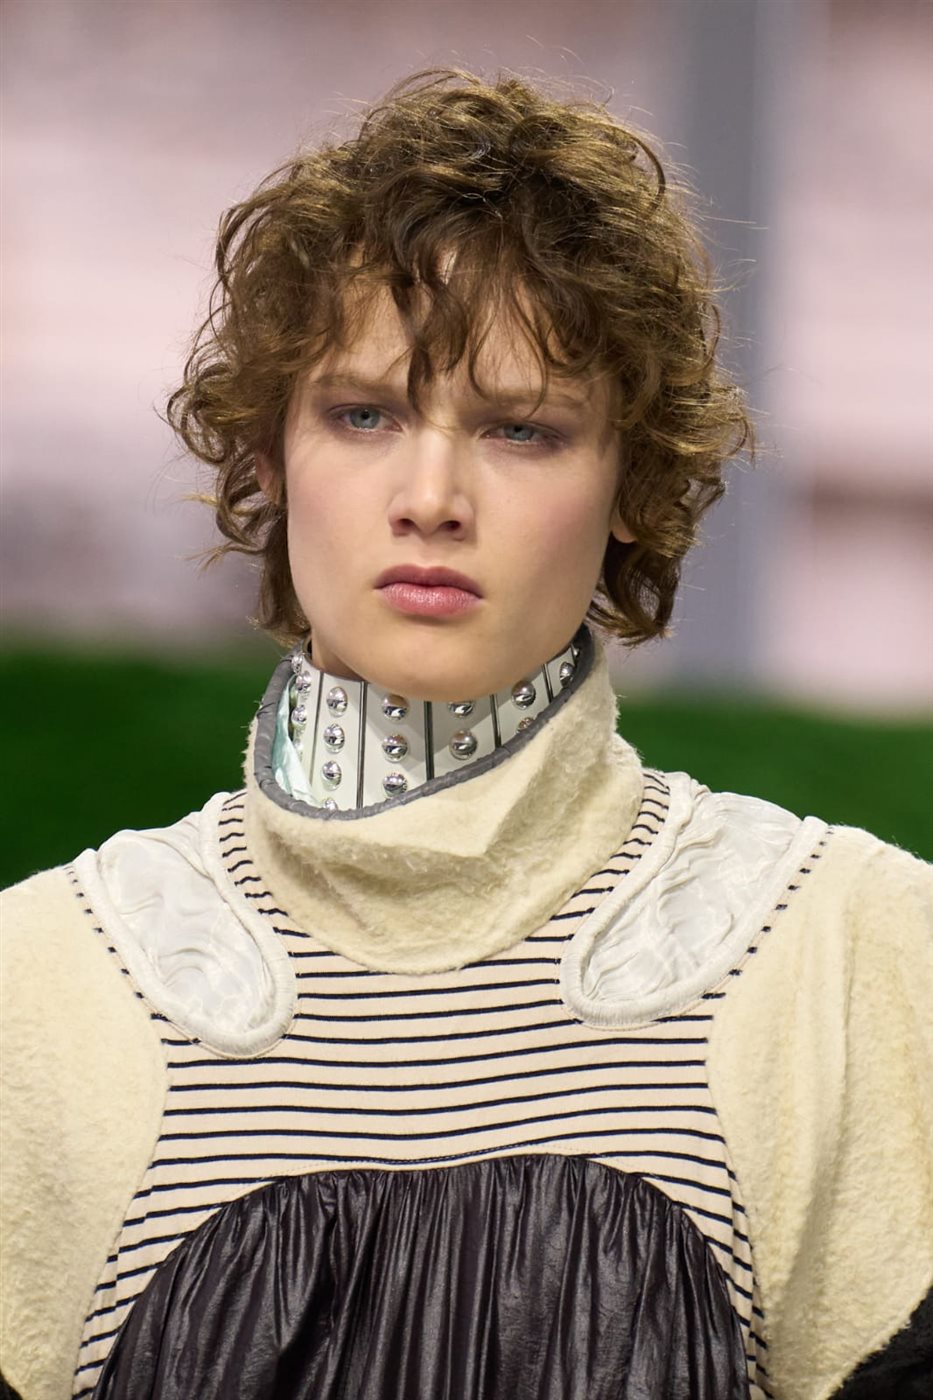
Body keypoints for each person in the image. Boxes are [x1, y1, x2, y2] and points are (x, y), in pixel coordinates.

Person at [1, 69, 930, 1400]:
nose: (430, 496)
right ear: (267, 457)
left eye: (521, 429)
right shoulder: (39, 988)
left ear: (631, 481)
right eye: (362, 414)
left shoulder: (857, 958)